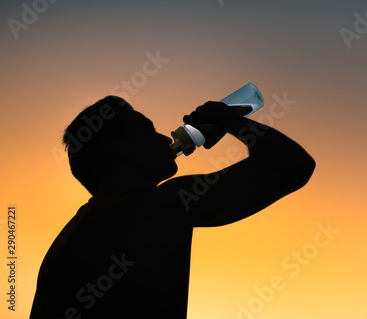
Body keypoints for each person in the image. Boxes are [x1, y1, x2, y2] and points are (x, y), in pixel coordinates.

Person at [30, 95, 315, 318]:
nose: (165, 138)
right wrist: (227, 119)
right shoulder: (155, 205)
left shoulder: (76, 231)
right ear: (116, 147)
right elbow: (291, 164)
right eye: (146, 130)